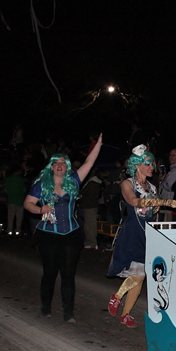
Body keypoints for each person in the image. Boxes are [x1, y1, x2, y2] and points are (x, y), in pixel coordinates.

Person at [23, 135, 103, 322]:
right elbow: (27, 203)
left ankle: (69, 312)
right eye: (56, 163)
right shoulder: (42, 185)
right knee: (50, 272)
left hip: (70, 234)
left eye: (63, 163)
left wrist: (98, 144)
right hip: (47, 234)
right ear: (51, 166)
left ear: (67, 167)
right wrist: (39, 209)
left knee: (68, 274)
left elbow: (89, 162)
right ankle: (46, 308)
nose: (59, 165)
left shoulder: (74, 181)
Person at [107, 145, 176, 328]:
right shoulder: (127, 183)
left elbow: (151, 213)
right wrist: (161, 201)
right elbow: (134, 201)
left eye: (152, 163)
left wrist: (157, 207)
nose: (151, 166)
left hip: (147, 233)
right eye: (147, 163)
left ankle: (125, 313)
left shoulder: (152, 187)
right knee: (138, 275)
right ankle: (118, 297)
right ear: (137, 165)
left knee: (141, 275)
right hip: (132, 233)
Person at [79, 168, 103, 248]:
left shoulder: (93, 183)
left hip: (90, 206)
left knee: (90, 226)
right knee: (87, 226)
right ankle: (89, 242)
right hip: (87, 206)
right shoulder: (91, 182)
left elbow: (93, 196)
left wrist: (81, 198)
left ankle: (92, 243)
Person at [3, 166, 26, 235]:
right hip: (20, 200)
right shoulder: (21, 179)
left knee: (10, 217)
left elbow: (5, 190)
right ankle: (17, 230)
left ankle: (9, 230)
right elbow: (24, 190)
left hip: (11, 200)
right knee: (19, 217)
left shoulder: (8, 179)